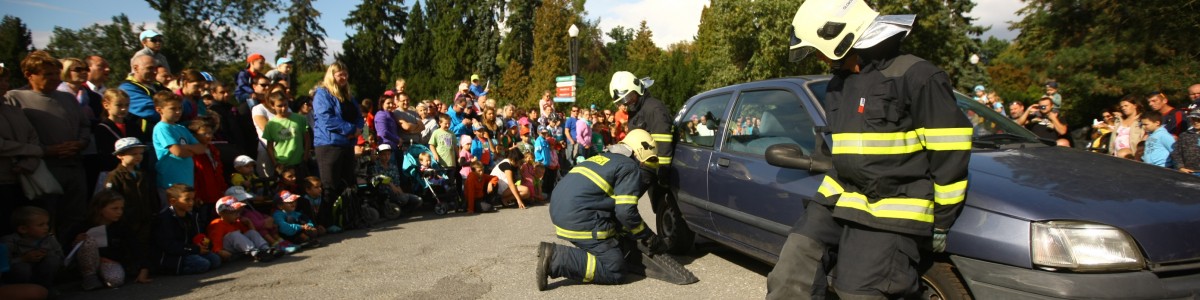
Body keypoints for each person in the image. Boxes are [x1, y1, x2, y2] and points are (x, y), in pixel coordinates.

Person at [767, 1, 972, 298]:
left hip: (891, 208)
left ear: (839, 37)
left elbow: (950, 152)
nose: (819, 57)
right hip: (842, 199)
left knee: (859, 293)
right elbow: (842, 154)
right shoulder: (839, 86)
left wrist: (942, 221)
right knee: (790, 273)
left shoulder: (918, 77)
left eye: (818, 48)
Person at [537, 129, 690, 290]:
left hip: (559, 209)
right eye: (647, 164)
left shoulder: (603, 157)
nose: (645, 170)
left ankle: (603, 249)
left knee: (615, 238)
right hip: (578, 217)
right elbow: (625, 212)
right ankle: (555, 258)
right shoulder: (630, 167)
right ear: (640, 153)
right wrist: (648, 236)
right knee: (615, 269)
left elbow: (610, 207)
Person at [6, 50, 93, 241]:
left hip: (74, 166)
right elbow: (15, 135)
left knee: (74, 217)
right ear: (30, 75)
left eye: (56, 74)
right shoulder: (15, 98)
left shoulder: (67, 98)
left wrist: (80, 143)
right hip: (42, 169)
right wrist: (46, 150)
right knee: (43, 218)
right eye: (48, 74)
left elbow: (85, 126)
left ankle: (70, 261)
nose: (55, 78)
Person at [311, 62, 364, 229]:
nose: (344, 78)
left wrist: (358, 129)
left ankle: (347, 218)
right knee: (330, 185)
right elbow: (326, 118)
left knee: (349, 182)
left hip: (346, 143)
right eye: (340, 74)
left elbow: (358, 115)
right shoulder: (322, 94)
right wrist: (350, 129)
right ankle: (324, 223)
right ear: (332, 75)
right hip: (329, 144)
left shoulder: (347, 94)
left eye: (345, 74)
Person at [66, 190, 152, 290]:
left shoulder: (121, 226)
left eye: (121, 208)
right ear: (100, 209)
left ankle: (101, 277)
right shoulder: (82, 226)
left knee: (115, 280)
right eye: (114, 208)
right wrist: (76, 242)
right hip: (85, 264)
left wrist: (144, 269)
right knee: (88, 241)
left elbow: (135, 247)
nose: (119, 212)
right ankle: (89, 278)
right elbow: (65, 250)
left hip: (109, 262)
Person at [103, 138, 159, 266]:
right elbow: (110, 197)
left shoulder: (142, 174)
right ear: (120, 155)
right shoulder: (115, 176)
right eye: (133, 154)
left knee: (145, 243)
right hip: (127, 219)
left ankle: (146, 267)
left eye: (140, 153)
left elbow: (151, 195)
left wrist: (154, 211)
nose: (138, 157)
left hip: (145, 217)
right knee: (130, 244)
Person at [150, 184, 221, 275]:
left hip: (190, 250)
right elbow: (169, 246)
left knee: (215, 260)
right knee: (203, 264)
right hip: (174, 255)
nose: (191, 203)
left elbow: (198, 235)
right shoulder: (164, 219)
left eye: (192, 199)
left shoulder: (192, 216)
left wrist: (205, 243)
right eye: (187, 199)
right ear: (173, 201)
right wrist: (195, 249)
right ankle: (168, 270)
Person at [152, 91, 205, 200]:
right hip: (170, 184)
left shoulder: (181, 128)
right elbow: (178, 152)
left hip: (186, 181)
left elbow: (201, 149)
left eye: (180, 108)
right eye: (173, 109)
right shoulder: (162, 128)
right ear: (159, 109)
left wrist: (185, 147)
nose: (178, 112)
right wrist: (190, 149)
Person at [1, 207, 62, 290]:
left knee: (52, 261)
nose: (46, 227)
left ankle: (45, 288)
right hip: (18, 277)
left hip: (40, 273)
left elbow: (60, 255)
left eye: (47, 224)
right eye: (41, 225)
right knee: (22, 268)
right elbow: (4, 265)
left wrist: (47, 254)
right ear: (23, 229)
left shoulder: (49, 238)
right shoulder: (10, 242)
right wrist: (23, 259)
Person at [208, 196, 277, 262]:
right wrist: (219, 251)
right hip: (228, 252)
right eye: (233, 212)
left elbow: (250, 235)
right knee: (234, 235)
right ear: (222, 213)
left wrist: (249, 223)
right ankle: (255, 253)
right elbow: (215, 240)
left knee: (251, 232)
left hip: (240, 250)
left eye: (238, 212)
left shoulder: (237, 222)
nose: (237, 215)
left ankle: (266, 249)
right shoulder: (217, 224)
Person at [263, 92, 311, 177]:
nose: (283, 108)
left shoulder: (300, 119)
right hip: (283, 164)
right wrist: (276, 164)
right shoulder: (270, 124)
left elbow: (307, 139)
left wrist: (305, 157)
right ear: (272, 106)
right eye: (280, 106)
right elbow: (269, 147)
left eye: (285, 105)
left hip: (300, 162)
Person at [187, 119, 227, 221]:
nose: (209, 136)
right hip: (203, 195)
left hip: (216, 192)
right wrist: (196, 195)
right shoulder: (193, 153)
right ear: (194, 135)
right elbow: (194, 175)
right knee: (204, 219)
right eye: (204, 134)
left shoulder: (213, 150)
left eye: (210, 133)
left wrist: (223, 188)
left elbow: (219, 170)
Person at [120, 54, 166, 140]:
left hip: (165, 136)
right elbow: (151, 111)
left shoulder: (158, 86)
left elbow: (177, 102)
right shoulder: (128, 88)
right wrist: (172, 110)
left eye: (155, 68)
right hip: (146, 140)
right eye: (150, 68)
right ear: (136, 68)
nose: (155, 72)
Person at [58, 57, 103, 122]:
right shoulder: (57, 94)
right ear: (66, 71)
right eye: (78, 69)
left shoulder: (94, 97)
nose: (84, 72)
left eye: (86, 69)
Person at [1172, 109, 1200, 175]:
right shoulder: (1184, 135)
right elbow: (1176, 152)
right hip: (1188, 172)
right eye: (1193, 119)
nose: (1196, 122)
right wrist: (1180, 167)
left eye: (1199, 119)